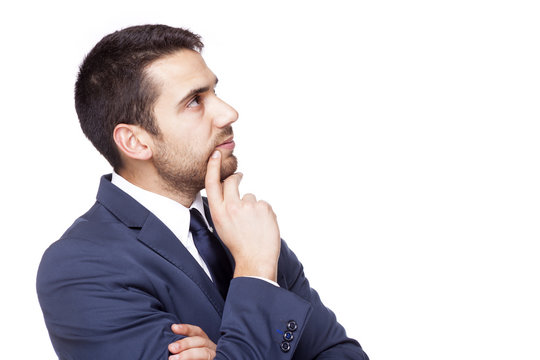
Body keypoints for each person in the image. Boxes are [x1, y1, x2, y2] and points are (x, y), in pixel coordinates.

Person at [36, 24, 369, 360]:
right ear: (135, 141)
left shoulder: (241, 226)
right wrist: (254, 269)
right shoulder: (80, 267)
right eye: (195, 101)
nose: (228, 112)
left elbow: (342, 354)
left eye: (214, 92)